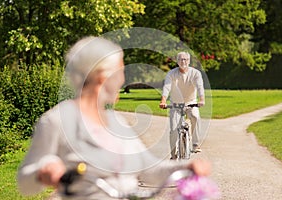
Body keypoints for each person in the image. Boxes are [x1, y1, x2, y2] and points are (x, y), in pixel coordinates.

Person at [17, 37, 210, 199]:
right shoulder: (57, 120)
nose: (123, 80)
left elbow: (147, 169)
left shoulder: (117, 122)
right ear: (103, 77)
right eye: (121, 72)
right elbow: (25, 182)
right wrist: (44, 171)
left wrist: (188, 167)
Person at [159, 52, 205, 159]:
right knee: (174, 129)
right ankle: (173, 155)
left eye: (185, 59)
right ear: (177, 61)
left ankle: (195, 144)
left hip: (191, 103)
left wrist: (201, 99)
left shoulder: (195, 73)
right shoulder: (171, 74)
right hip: (175, 104)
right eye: (180, 59)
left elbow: (200, 87)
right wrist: (163, 100)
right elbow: (167, 88)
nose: (183, 61)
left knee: (195, 117)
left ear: (189, 61)